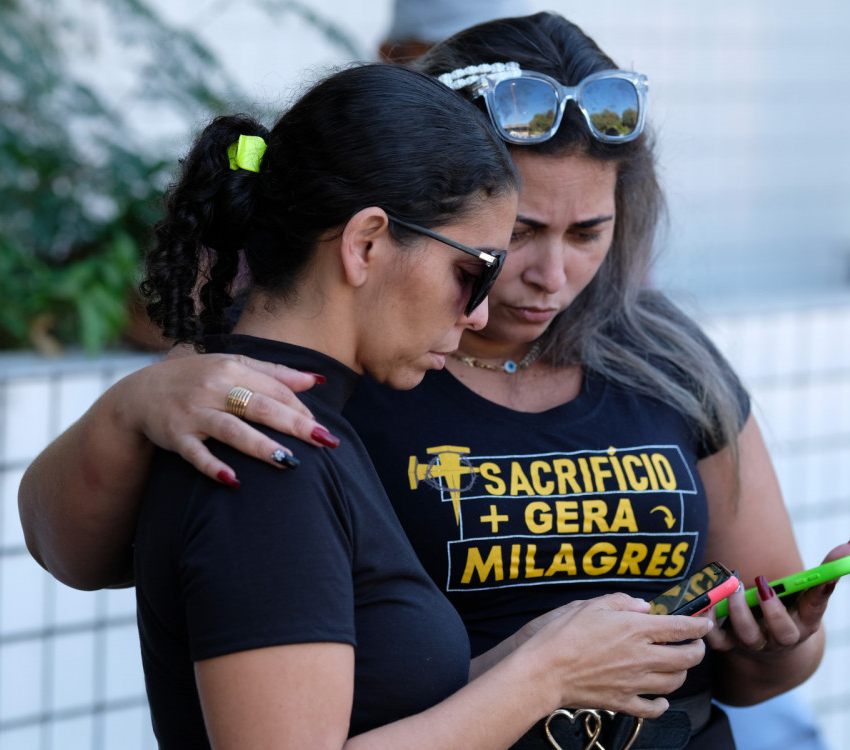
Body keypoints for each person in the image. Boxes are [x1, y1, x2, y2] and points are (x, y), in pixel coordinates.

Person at [19, 13, 850, 749]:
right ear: (382, 231)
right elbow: (76, 551)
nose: (548, 276)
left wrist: (781, 643)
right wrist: (129, 409)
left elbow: (761, 655)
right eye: (511, 237)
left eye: (589, 232)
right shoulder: (296, 382)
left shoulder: (665, 358)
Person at [109, 62, 715, 749]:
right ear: (365, 244)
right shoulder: (265, 452)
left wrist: (527, 659)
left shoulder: (292, 421)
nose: (482, 309)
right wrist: (544, 677)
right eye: (472, 270)